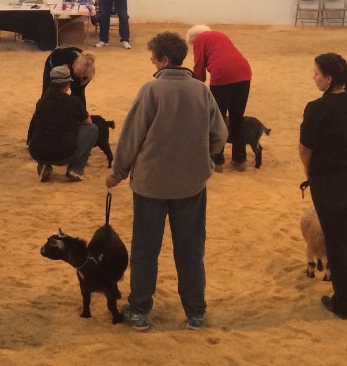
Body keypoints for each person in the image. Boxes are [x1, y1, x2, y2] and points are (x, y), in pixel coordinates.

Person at [105, 31, 227, 332]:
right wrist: (205, 162)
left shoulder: (151, 91)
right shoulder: (201, 90)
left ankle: (140, 310)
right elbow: (220, 135)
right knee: (191, 251)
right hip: (191, 186)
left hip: (151, 187)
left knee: (145, 250)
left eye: (153, 59)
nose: (152, 65)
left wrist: (117, 172)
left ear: (164, 60)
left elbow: (132, 137)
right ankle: (195, 313)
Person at [298, 53, 347, 320]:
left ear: (329, 78)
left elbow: (305, 149)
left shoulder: (317, 108)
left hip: (332, 181)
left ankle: (343, 303)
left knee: (336, 239)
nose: (314, 77)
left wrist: (310, 174)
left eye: (317, 73)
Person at [186, 25, 252, 172]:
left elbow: (199, 66)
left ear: (193, 38)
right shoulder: (221, 36)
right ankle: (240, 160)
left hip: (222, 76)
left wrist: (195, 85)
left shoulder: (200, 39)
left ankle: (218, 161)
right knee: (238, 118)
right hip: (244, 73)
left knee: (218, 118)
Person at [29, 65, 98, 183]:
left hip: (38, 152)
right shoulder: (73, 102)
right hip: (64, 154)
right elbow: (88, 122)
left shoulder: (41, 102)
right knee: (93, 129)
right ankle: (76, 168)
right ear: (67, 85)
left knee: (44, 132)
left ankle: (43, 165)